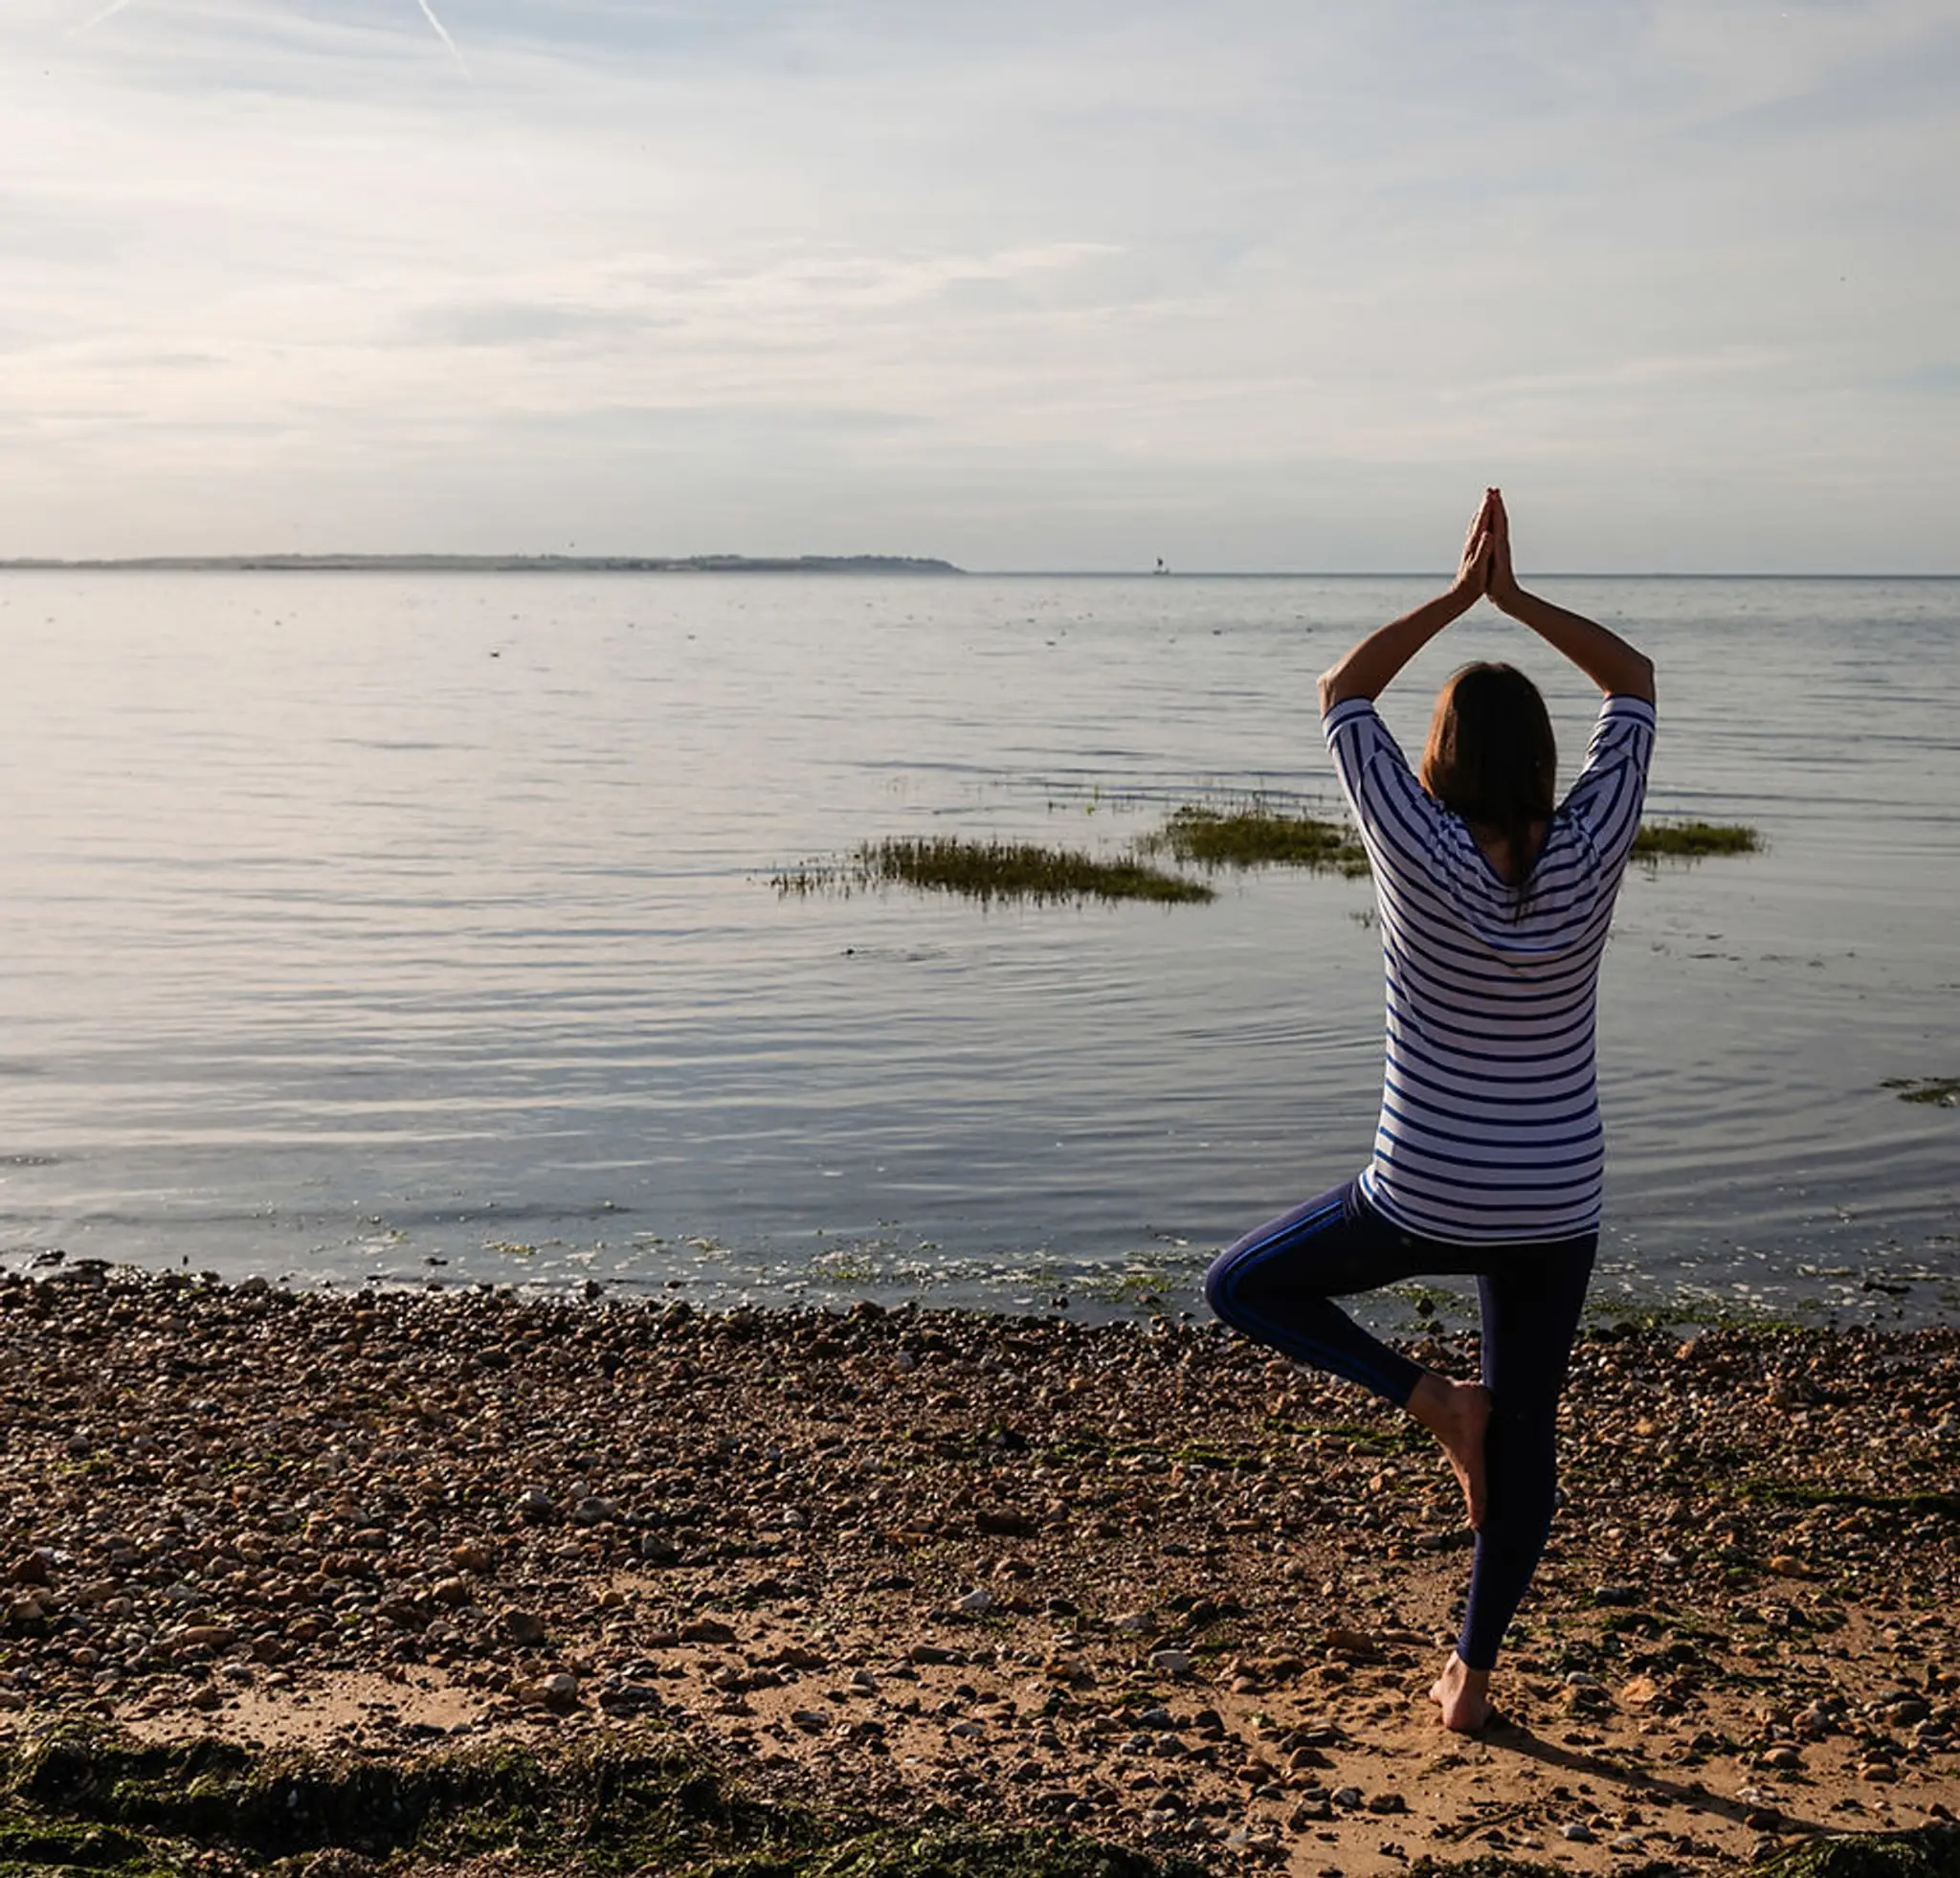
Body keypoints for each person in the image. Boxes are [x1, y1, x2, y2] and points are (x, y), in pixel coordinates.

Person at [1204, 488, 1656, 1733]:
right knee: (1534, 1438)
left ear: (1439, 762)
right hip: (1555, 1199)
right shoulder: (1592, 844)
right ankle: (1472, 1674)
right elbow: (1638, 682)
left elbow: (1341, 690)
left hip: (1422, 1190)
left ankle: (1431, 1400)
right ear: (1542, 764)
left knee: (1242, 1285)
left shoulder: (1415, 843)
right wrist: (1520, 600)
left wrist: (1458, 597)